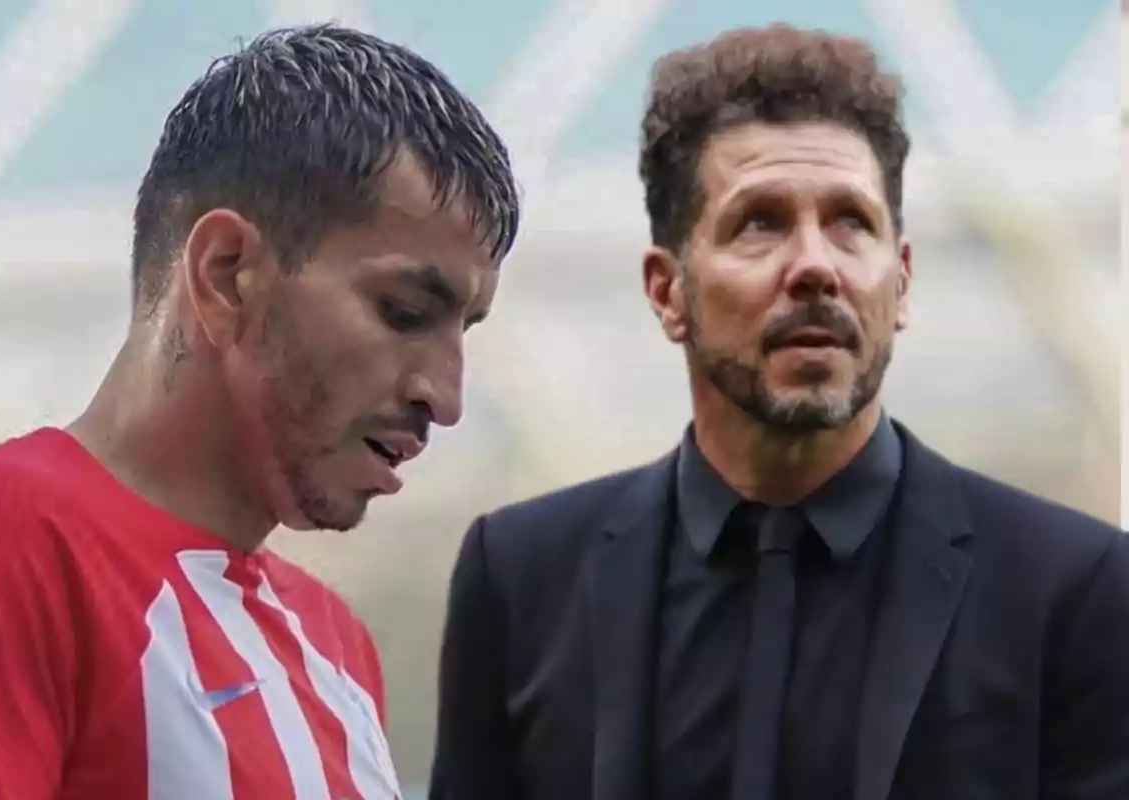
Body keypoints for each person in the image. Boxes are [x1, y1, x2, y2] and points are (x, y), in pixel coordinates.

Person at [429, 23, 1128, 800]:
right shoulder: (522, 578)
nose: (815, 267)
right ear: (667, 291)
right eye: (760, 222)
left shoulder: (1074, 589)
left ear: (900, 282)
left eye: (851, 223)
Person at [0, 23, 518, 800]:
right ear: (228, 274)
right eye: (405, 312)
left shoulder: (334, 644)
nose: (444, 398)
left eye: (463, 333)